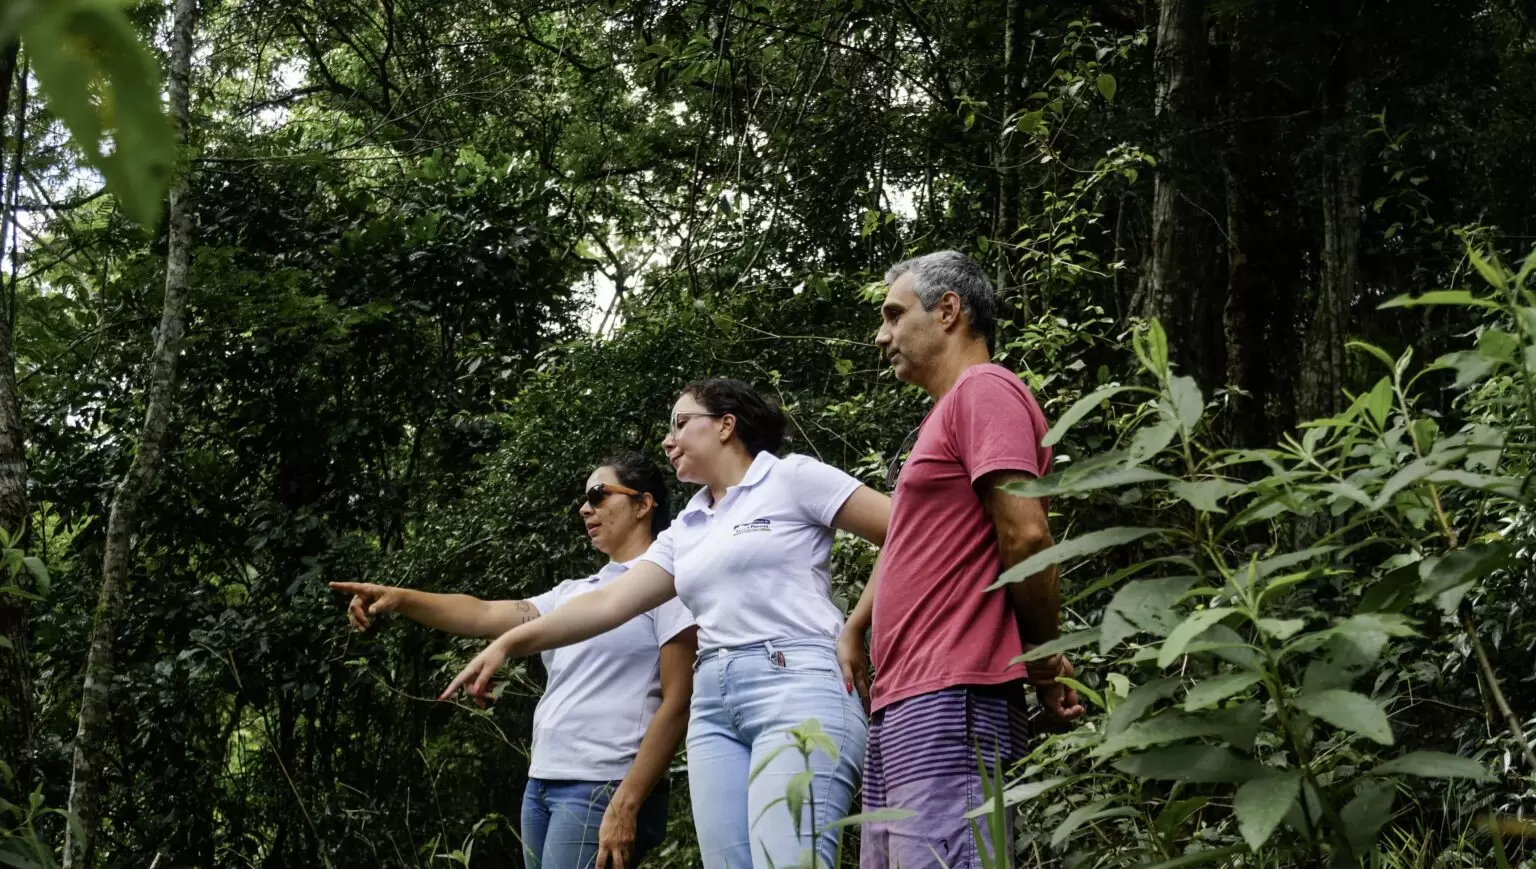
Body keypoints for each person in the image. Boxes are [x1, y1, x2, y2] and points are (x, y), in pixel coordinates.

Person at [441, 378, 891, 869]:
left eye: (680, 423)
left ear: (725, 425)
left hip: (798, 683)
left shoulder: (790, 477)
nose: (667, 440)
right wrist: (508, 644)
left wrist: (855, 626)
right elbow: (607, 603)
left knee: (788, 861)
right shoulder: (687, 527)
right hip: (714, 707)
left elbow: (905, 527)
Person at [329, 454, 697, 869]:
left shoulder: (666, 586)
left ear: (643, 504)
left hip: (604, 783)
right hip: (543, 781)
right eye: (584, 499)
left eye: (598, 495)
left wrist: (626, 802)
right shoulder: (575, 592)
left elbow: (678, 701)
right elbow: (484, 614)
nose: (584, 508)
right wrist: (399, 598)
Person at [839, 251, 1085, 868]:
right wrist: (856, 624)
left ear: (948, 310)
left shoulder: (984, 390)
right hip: (906, 698)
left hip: (953, 694)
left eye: (894, 315)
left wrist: (1043, 659)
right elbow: (911, 543)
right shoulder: (946, 413)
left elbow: (1026, 536)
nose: (882, 336)